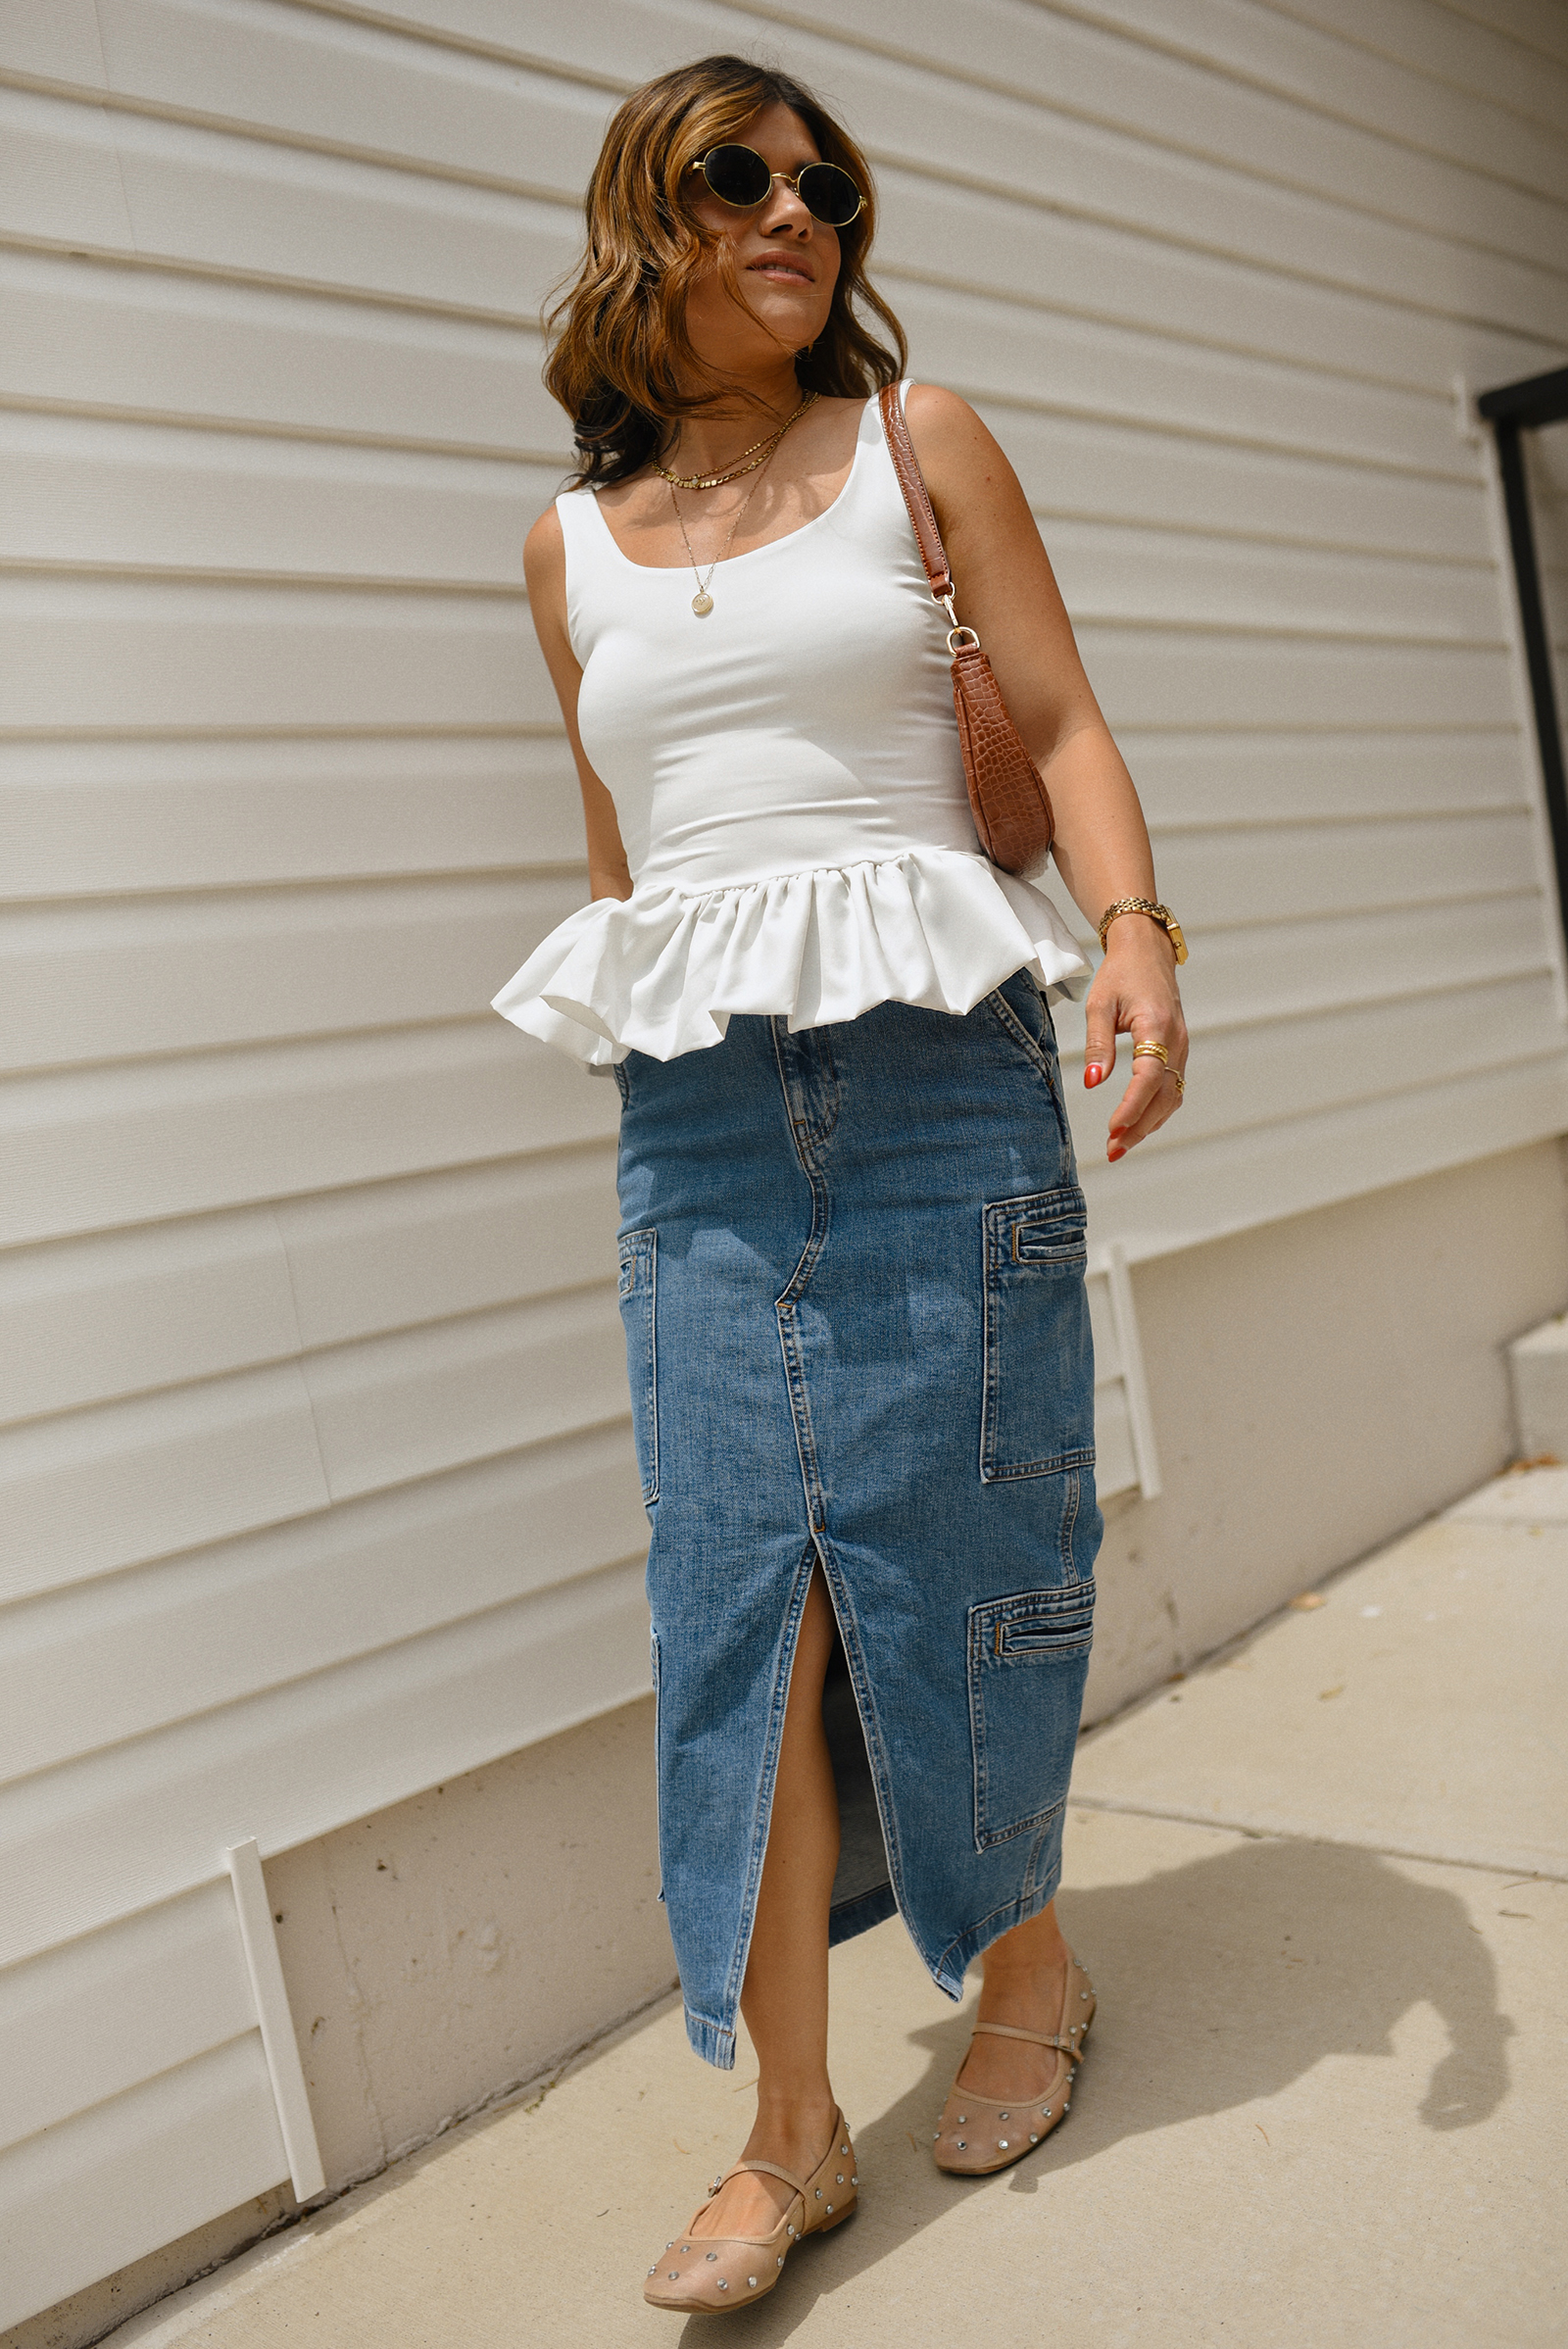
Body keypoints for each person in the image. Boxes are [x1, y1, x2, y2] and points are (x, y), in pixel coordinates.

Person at [493, 52, 1188, 2314]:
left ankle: (1026, 1967)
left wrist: (1139, 941)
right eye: (737, 177)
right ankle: (787, 2131)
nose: (793, 211)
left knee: (966, 1538)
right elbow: (628, 870)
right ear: (645, 217)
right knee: (742, 1609)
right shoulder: (563, 545)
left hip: (933, 1074)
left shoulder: (919, 444)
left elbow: (1061, 727)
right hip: (696, 1114)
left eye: (824, 184)